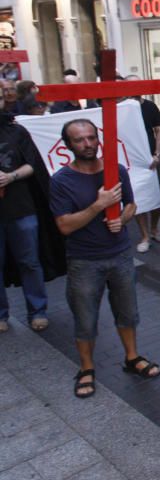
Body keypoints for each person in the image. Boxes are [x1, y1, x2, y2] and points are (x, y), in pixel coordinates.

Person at [49, 119, 160, 398]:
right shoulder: (61, 181)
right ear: (68, 144)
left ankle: (132, 357)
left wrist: (122, 219)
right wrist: (98, 205)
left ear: (98, 139)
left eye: (90, 137)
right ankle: (86, 368)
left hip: (120, 255)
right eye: (79, 140)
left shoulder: (115, 170)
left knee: (128, 312)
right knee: (85, 318)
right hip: (84, 261)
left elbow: (132, 204)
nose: (87, 144)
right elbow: (64, 225)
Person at [0, 115, 64, 333]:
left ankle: (37, 311)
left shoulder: (17, 132)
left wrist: (12, 176)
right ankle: (0, 314)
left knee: (29, 261)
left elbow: (33, 164)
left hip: (21, 208)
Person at [126, 75, 160, 254]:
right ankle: (144, 235)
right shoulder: (123, 109)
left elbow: (158, 130)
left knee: (159, 195)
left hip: (153, 159)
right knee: (138, 199)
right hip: (133, 162)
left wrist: (157, 154)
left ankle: (154, 228)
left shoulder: (149, 106)